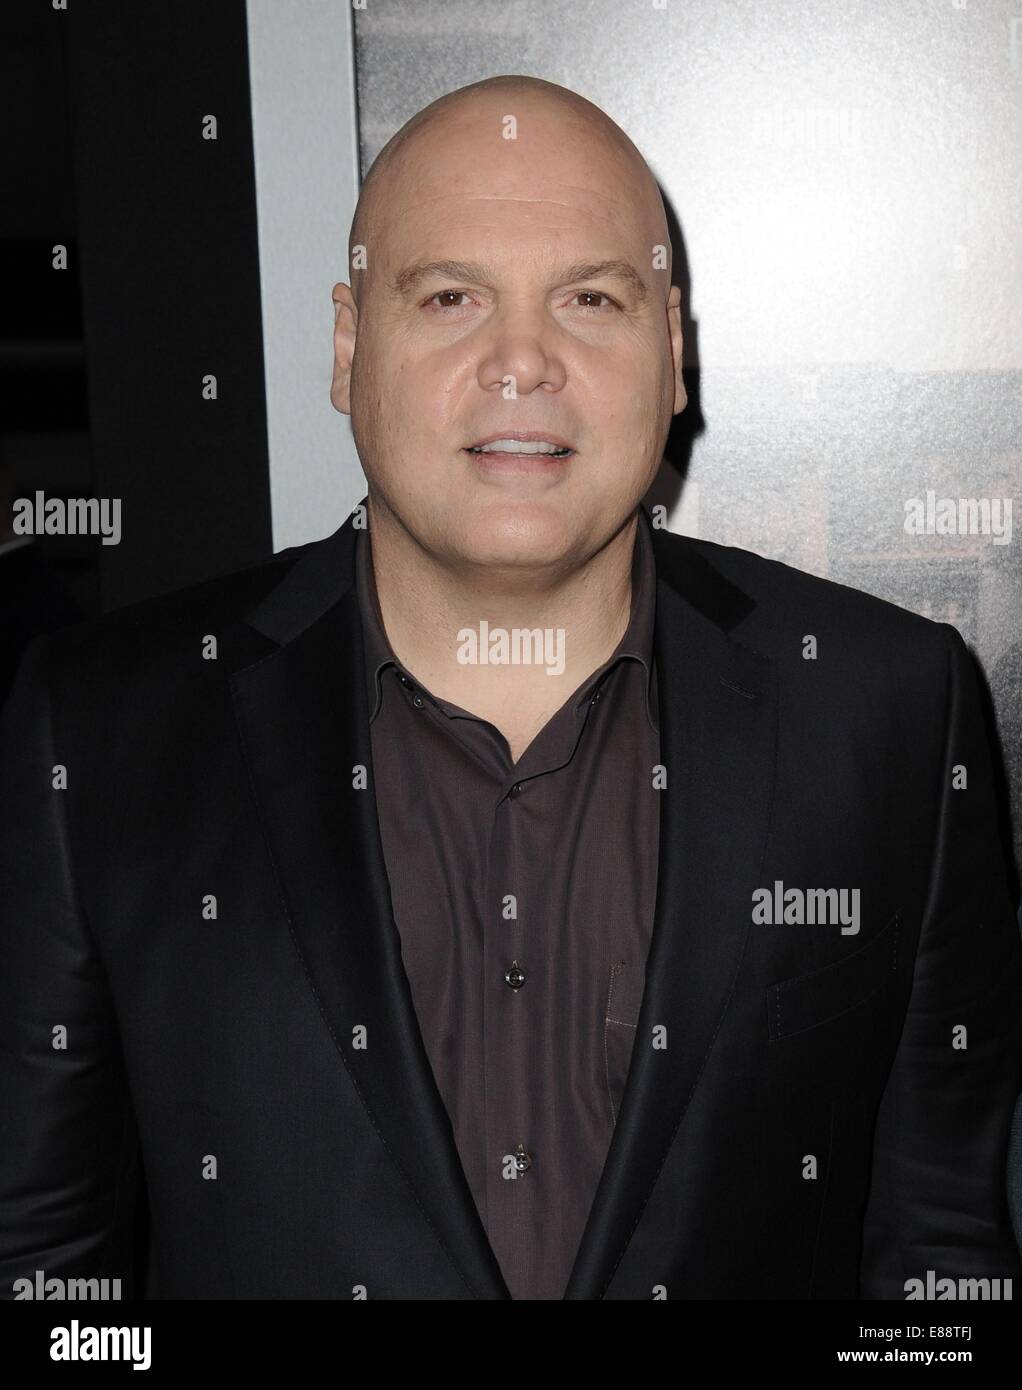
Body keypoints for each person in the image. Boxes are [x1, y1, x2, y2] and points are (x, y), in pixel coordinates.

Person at [1, 74, 1019, 1301]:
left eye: (590, 298)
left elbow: (940, 1257)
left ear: (673, 352)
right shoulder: (102, 726)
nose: (521, 362)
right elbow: (45, 1278)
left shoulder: (891, 710)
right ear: (346, 347)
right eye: (449, 298)